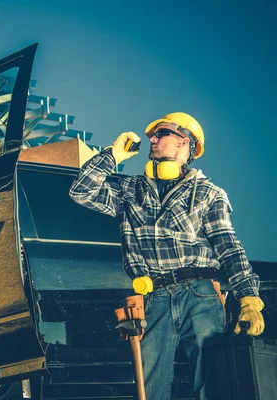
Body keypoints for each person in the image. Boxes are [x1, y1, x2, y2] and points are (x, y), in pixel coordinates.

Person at [68, 112, 265, 399]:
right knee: (149, 388)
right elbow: (81, 192)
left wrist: (248, 298)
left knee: (211, 385)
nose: (152, 138)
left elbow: (228, 246)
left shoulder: (208, 193)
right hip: (154, 297)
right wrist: (111, 155)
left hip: (200, 296)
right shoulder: (130, 189)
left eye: (161, 133)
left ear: (184, 142)